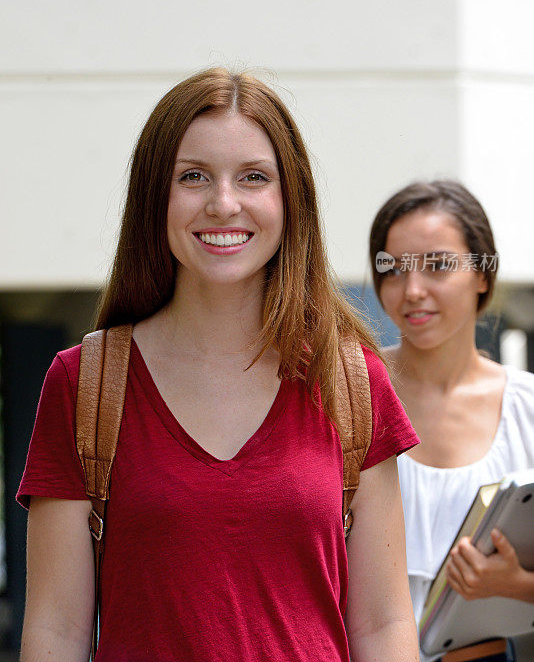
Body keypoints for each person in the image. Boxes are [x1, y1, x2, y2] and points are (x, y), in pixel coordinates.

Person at [17, 68, 420, 662]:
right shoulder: (85, 385)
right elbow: (56, 631)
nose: (223, 203)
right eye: (193, 177)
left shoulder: (352, 380)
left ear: (292, 201)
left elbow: (384, 626)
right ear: (156, 195)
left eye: (253, 177)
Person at [369, 180, 534, 662]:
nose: (412, 290)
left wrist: (518, 585)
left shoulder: (526, 408)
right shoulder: (347, 390)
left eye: (438, 265)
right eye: (393, 269)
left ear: (483, 275)